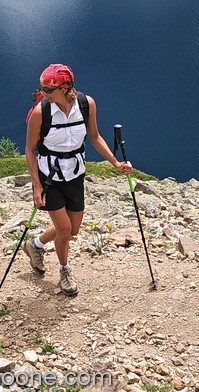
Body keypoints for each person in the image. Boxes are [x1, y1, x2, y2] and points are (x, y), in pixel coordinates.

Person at [21, 64, 132, 296]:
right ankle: (65, 271)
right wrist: (37, 186)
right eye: (42, 88)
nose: (43, 93)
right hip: (50, 177)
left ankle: (35, 244)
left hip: (75, 173)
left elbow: (95, 136)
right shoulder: (41, 112)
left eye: (48, 89)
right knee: (64, 231)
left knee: (72, 230)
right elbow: (30, 150)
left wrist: (115, 163)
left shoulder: (86, 104)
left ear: (65, 88)